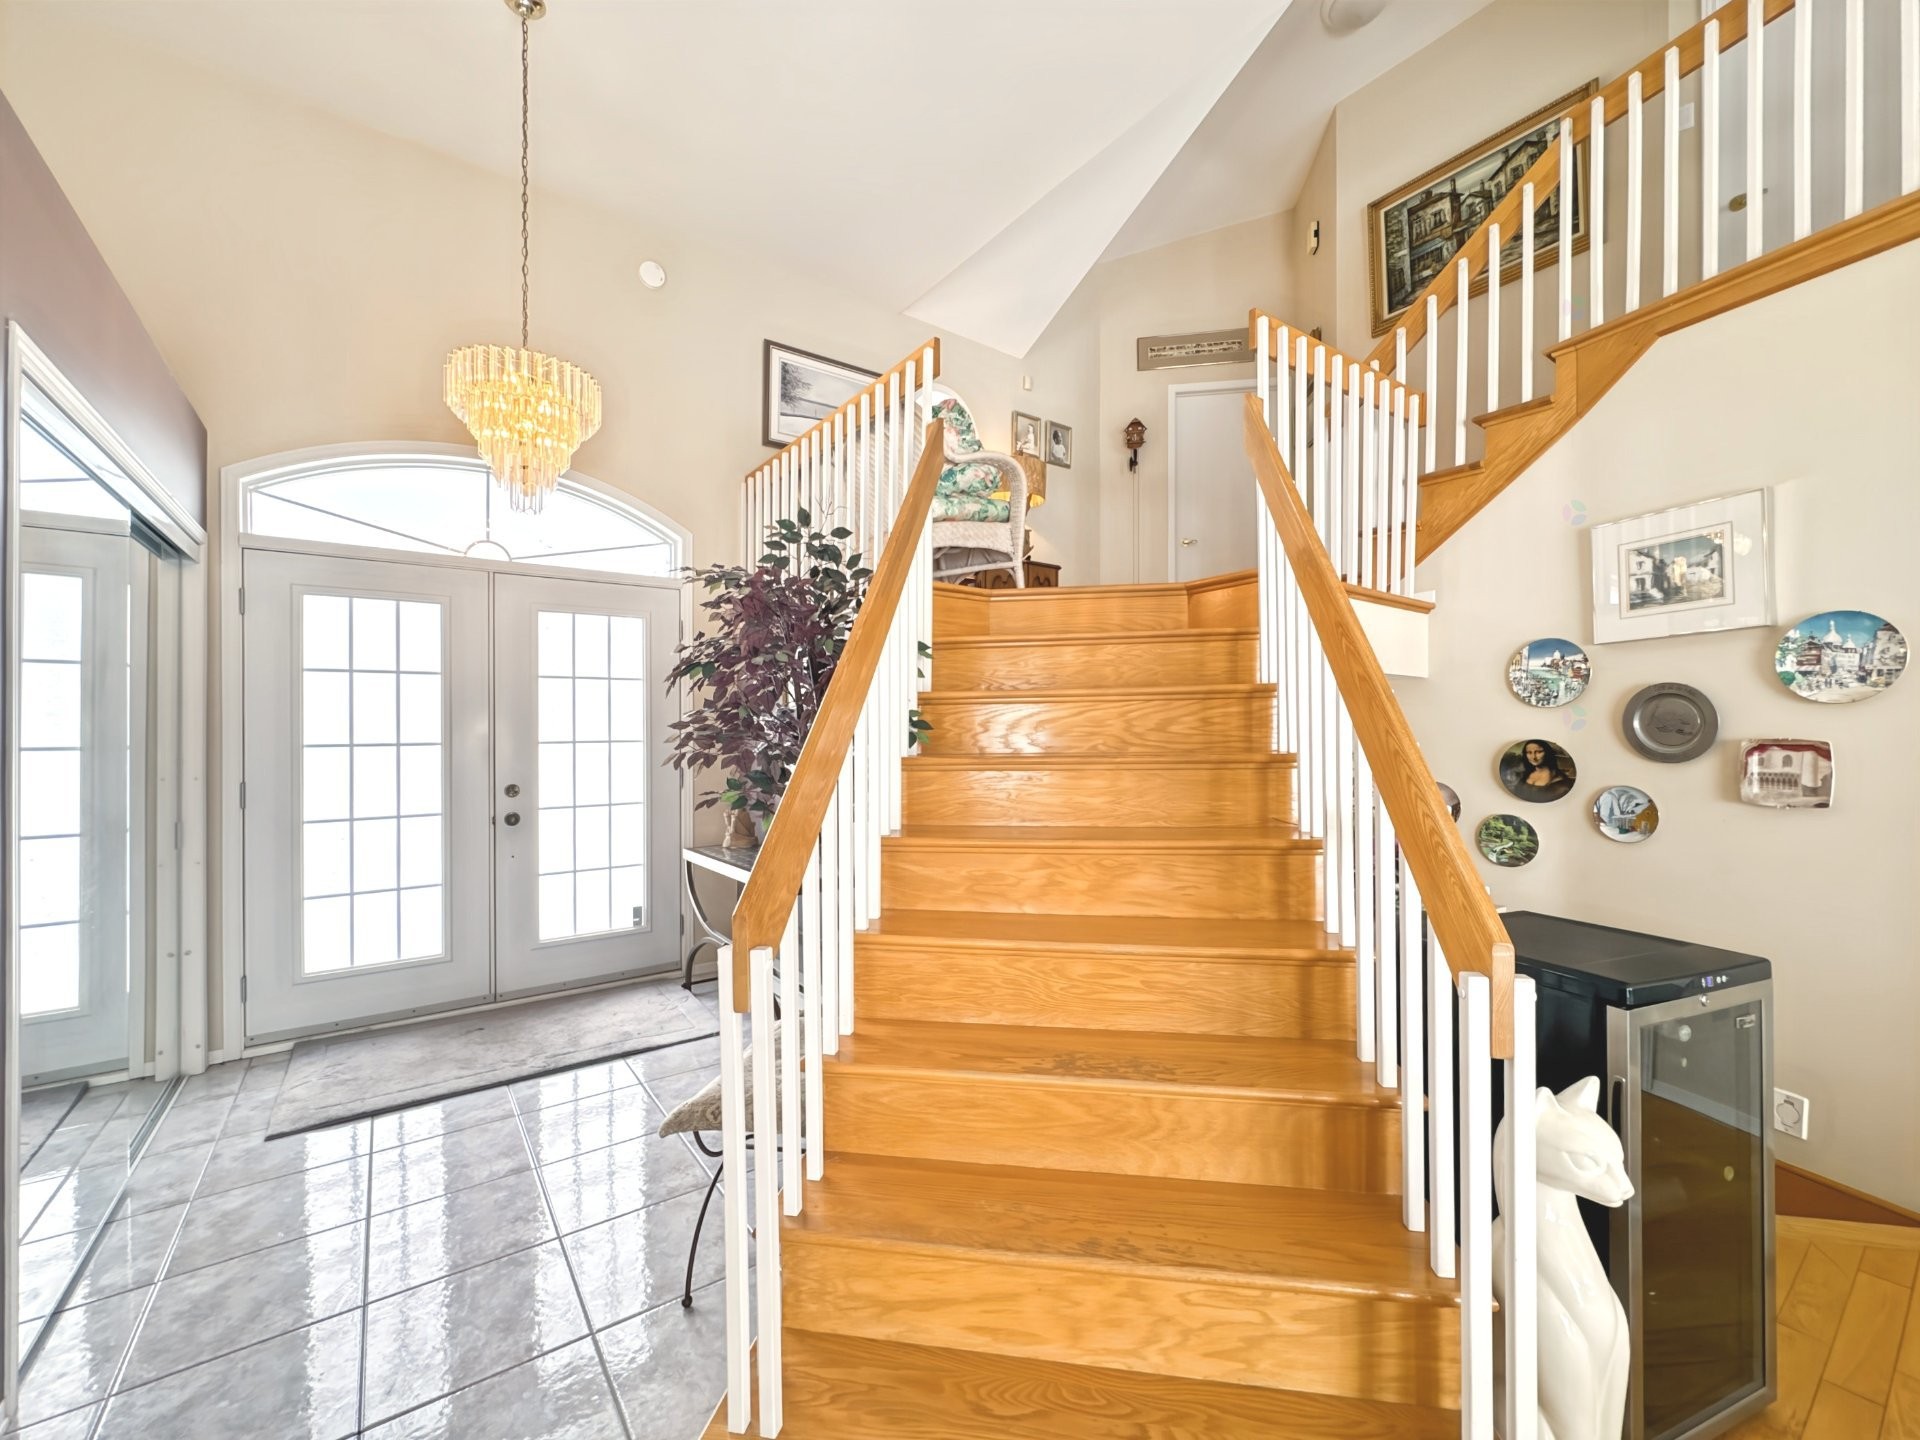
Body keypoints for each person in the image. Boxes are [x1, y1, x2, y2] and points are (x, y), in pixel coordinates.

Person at [1503, 739, 1574, 802]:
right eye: (1529, 752)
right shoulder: (1524, 774)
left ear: (1547, 753)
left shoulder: (1559, 779)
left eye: (1539, 752)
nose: (1533, 757)